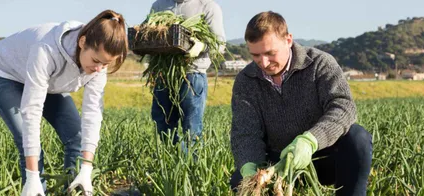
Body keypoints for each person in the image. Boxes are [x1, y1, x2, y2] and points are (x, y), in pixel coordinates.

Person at [0, 10, 128, 196]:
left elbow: (93, 113)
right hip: (7, 76)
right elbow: (32, 110)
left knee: (76, 136)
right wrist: (33, 176)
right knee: (26, 140)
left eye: (105, 64)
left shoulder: (98, 66)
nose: (98, 69)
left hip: (50, 83)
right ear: (82, 42)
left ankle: (73, 190)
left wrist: (86, 169)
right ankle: (34, 189)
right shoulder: (46, 49)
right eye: (95, 61)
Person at [229, 11, 373, 195]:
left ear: (288, 40)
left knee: (357, 138)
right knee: (239, 180)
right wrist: (250, 168)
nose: (263, 63)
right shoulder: (246, 80)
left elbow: (343, 106)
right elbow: (245, 132)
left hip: (323, 154)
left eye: (270, 53)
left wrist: (310, 140)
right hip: (277, 160)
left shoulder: (320, 64)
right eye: (256, 55)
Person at [147, 0, 226, 146]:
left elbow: (220, 44)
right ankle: (170, 159)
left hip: (192, 74)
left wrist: (201, 47)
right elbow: (149, 32)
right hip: (164, 74)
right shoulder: (159, 5)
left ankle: (192, 164)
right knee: (162, 122)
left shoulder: (208, 7)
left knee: (191, 124)